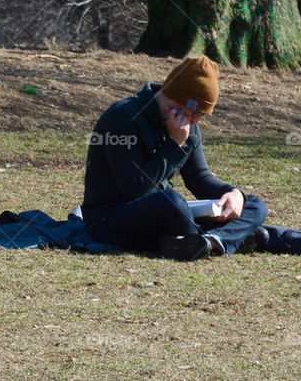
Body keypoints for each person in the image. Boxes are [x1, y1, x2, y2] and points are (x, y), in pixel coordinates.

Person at [80, 55, 267, 261]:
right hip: (110, 220)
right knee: (173, 203)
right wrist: (173, 144)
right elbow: (135, 188)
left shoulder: (189, 126)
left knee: (254, 205)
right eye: (196, 113)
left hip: (167, 215)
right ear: (181, 100)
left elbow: (199, 179)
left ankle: (209, 242)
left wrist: (233, 194)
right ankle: (230, 237)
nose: (197, 121)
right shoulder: (122, 118)